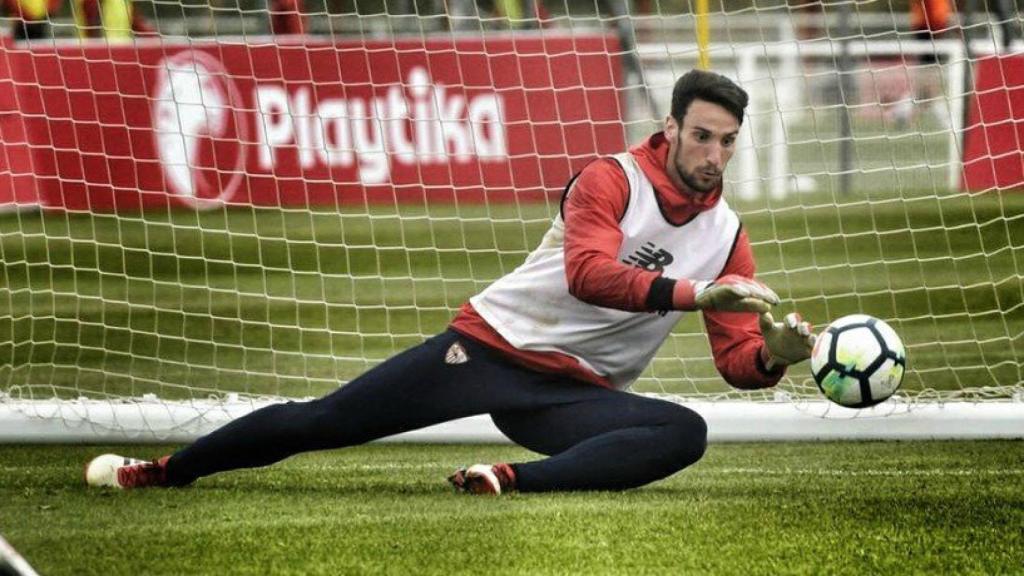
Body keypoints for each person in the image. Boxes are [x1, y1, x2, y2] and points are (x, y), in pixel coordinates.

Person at [84, 69, 816, 495]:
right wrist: (693, 294)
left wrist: (772, 356)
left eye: (726, 142)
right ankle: (163, 471)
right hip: (489, 351)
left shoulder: (727, 235)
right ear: (671, 127)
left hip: (571, 396)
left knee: (683, 432)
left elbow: (735, 361)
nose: (713, 154)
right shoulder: (610, 179)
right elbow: (589, 275)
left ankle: (506, 480)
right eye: (701, 135)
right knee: (323, 422)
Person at [72, 0, 154, 40]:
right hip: (94, 50)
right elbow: (91, 21)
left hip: (122, 50)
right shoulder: (89, 3)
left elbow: (134, 20)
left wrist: (153, 38)